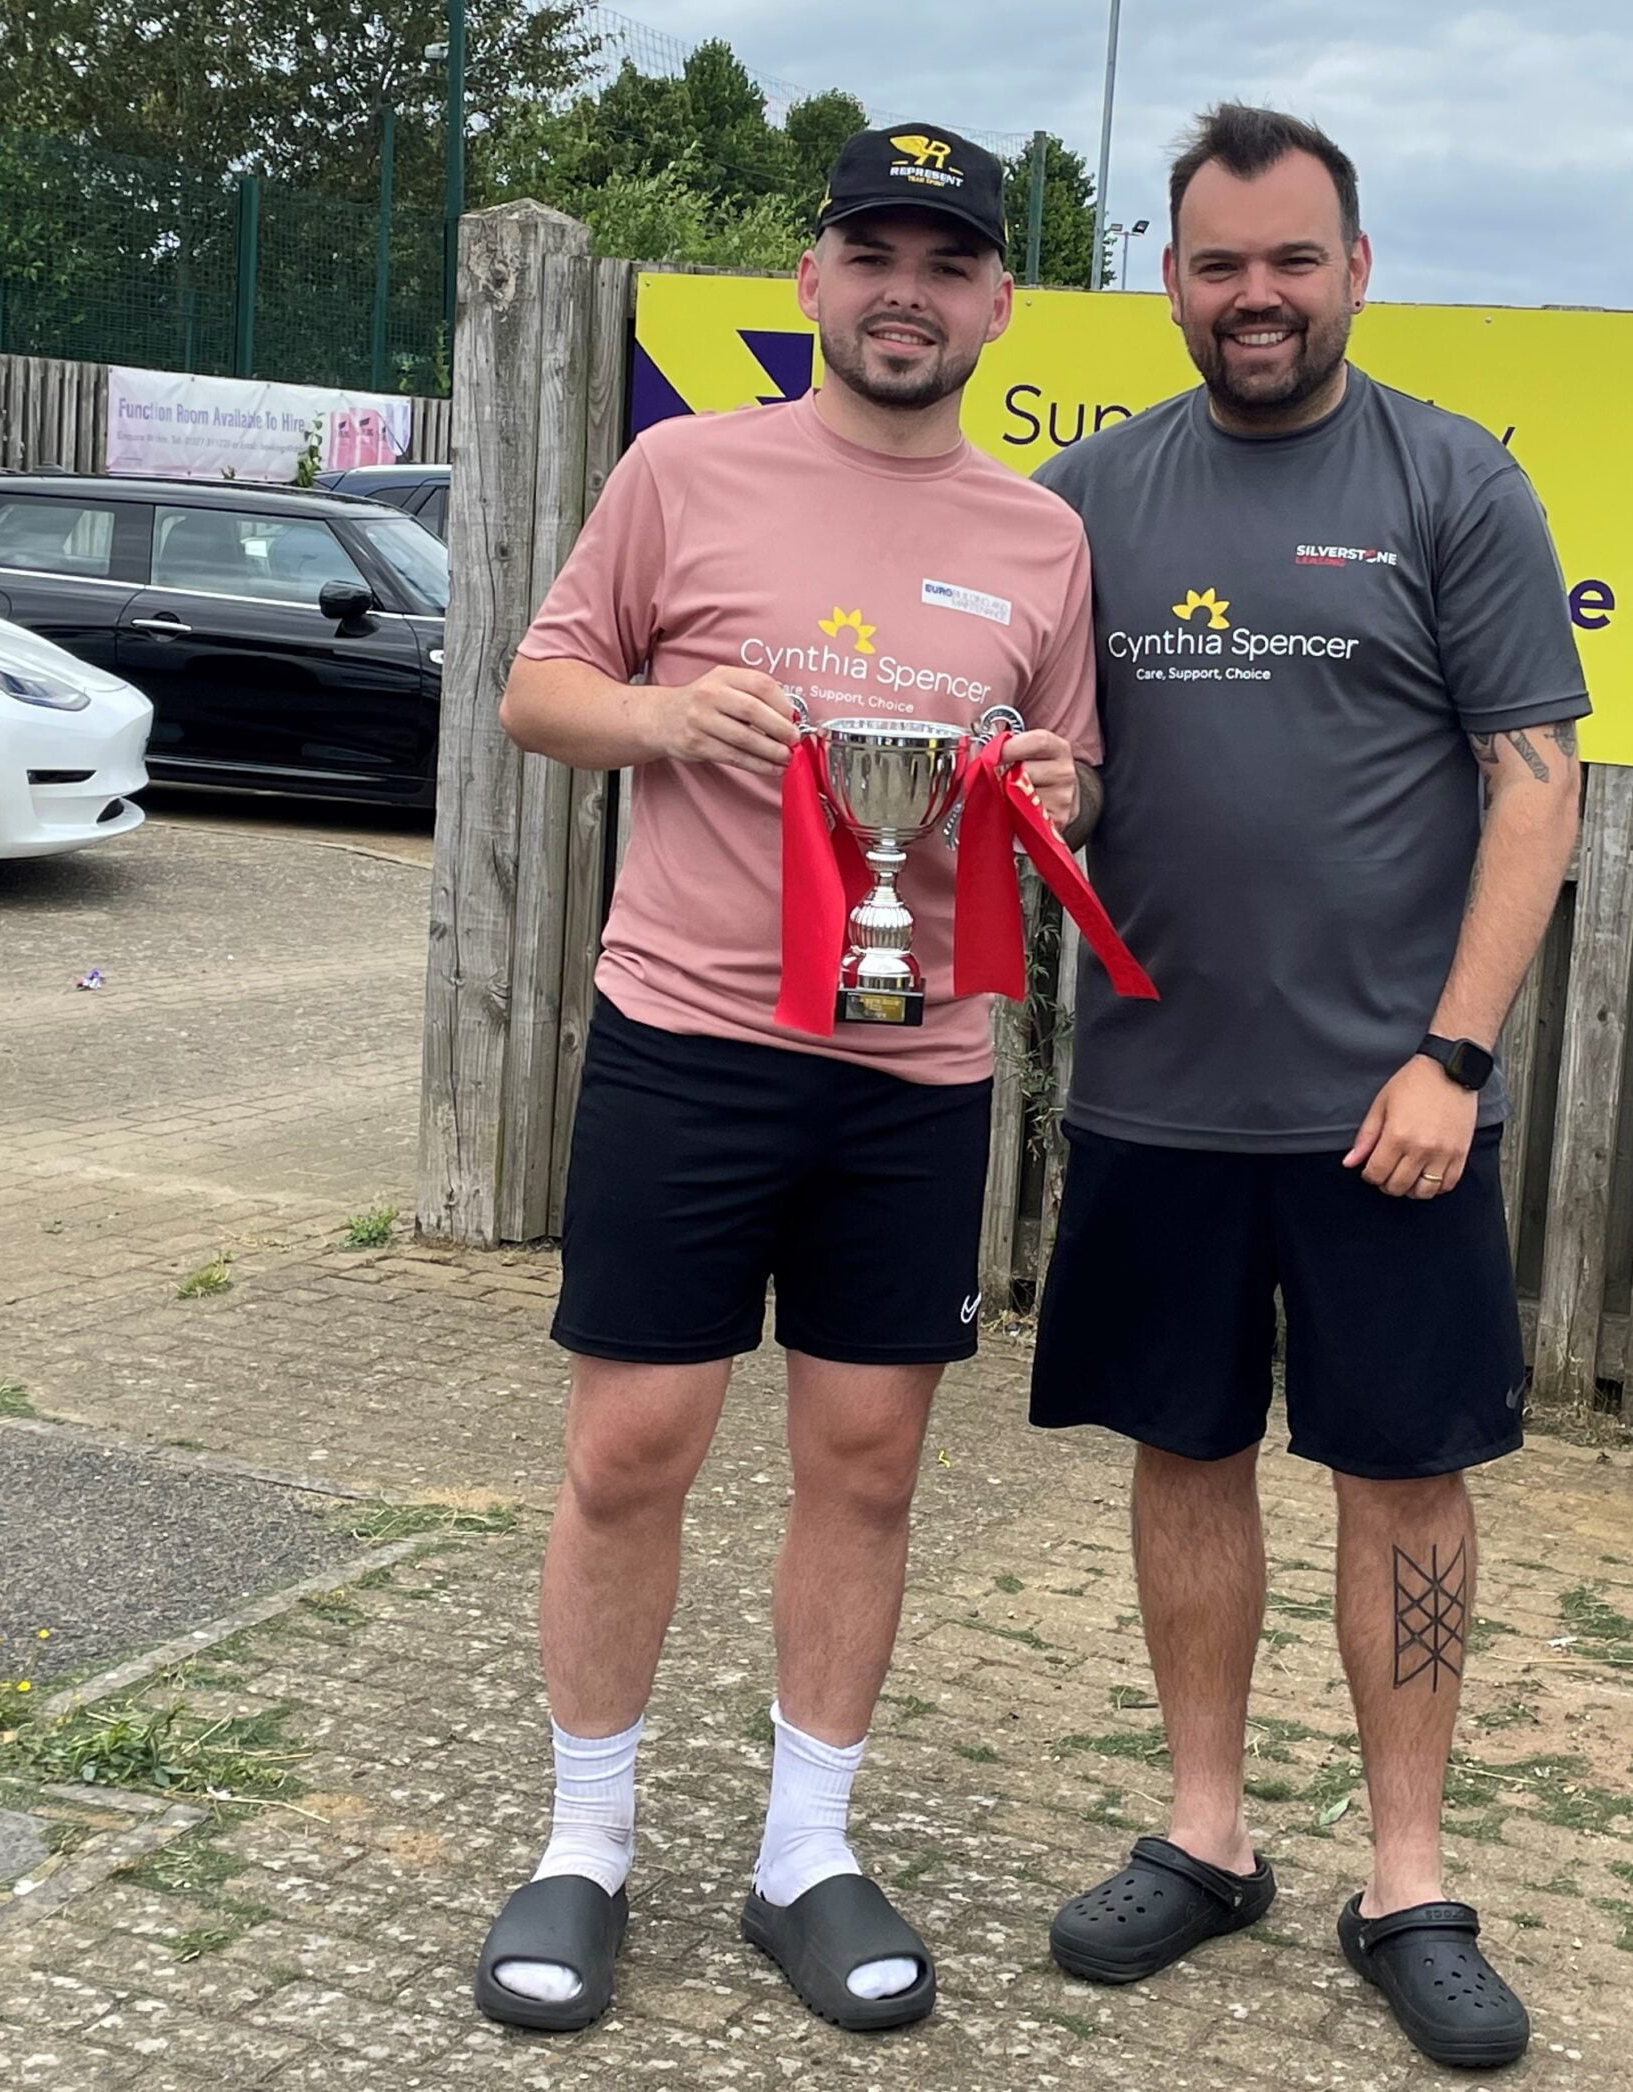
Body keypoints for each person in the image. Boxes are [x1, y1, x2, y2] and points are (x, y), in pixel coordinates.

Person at [471, 120, 1102, 2036]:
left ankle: (803, 1851)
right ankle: (586, 1846)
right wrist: (664, 712)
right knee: (631, 1449)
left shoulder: (1042, 536)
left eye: (950, 262)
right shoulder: (683, 471)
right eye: (874, 254)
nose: (908, 291)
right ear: (814, 279)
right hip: (688, 1038)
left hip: (914, 1072)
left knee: (870, 1462)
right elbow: (536, 687)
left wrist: (1064, 790)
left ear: (997, 301)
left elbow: (1065, 771)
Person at [1028, 104, 1588, 2072]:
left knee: (1403, 1476)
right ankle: (1204, 1831)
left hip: (1390, 1112)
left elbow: (1535, 781)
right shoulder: (1085, 494)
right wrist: (1046, 795)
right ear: (1165, 279)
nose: (1250, 296)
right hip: (1156, 1092)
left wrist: (1454, 1051)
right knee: (1180, 1454)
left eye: (1287, 259)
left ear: (1355, 266)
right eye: (1212, 261)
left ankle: (1407, 1877)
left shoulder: (1450, 483)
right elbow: (1063, 760)